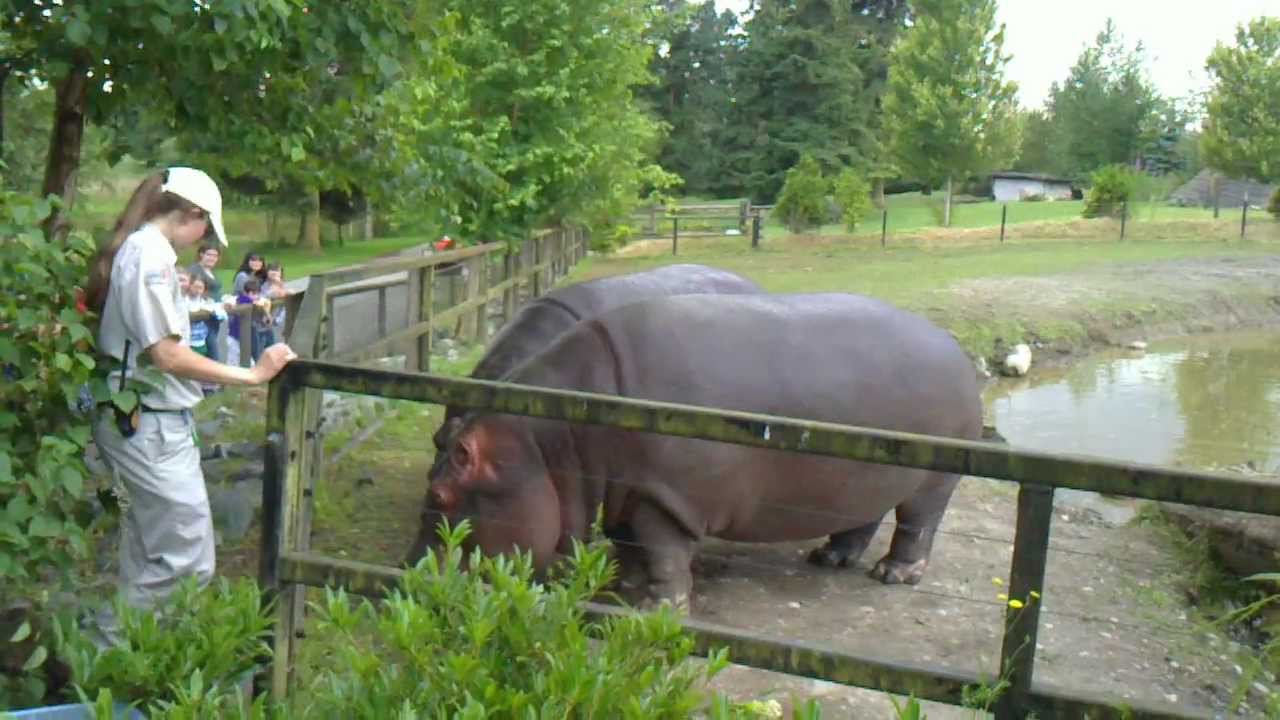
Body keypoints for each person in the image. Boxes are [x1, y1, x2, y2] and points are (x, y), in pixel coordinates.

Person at [83, 166, 297, 646]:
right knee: (187, 562)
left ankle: (129, 666)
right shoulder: (150, 256)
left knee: (149, 554)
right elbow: (167, 353)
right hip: (149, 427)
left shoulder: (143, 251)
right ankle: (107, 653)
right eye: (206, 227)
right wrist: (252, 374)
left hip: (144, 423)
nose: (204, 237)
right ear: (193, 215)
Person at [185, 243, 224, 362]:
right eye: (209, 254)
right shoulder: (194, 270)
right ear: (201, 254)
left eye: (215, 256)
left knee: (208, 347)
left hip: (214, 315)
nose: (212, 258)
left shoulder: (210, 271)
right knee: (212, 351)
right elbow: (190, 290)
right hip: (202, 317)